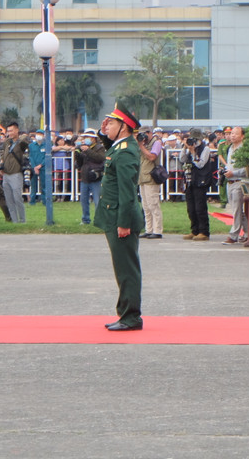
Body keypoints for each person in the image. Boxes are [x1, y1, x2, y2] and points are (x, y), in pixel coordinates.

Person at [95, 105, 144, 331]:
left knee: (127, 270)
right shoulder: (120, 147)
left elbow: (127, 191)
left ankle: (131, 317)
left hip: (120, 217)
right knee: (122, 269)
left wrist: (123, 223)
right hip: (114, 215)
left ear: (124, 127)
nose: (107, 126)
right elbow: (110, 155)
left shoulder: (125, 151)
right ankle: (125, 314)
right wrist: (104, 135)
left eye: (112, 123)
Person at [179, 128, 214, 241]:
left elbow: (201, 164)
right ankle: (194, 230)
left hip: (201, 181)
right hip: (190, 181)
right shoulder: (189, 148)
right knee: (191, 208)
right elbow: (182, 159)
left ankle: (204, 231)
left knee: (200, 208)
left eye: (195, 139)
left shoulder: (205, 149)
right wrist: (185, 148)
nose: (194, 142)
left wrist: (194, 152)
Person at [223, 126, 249, 244]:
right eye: (231, 133)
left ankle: (233, 235)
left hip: (239, 181)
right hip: (229, 181)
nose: (232, 136)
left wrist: (233, 173)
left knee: (237, 210)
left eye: (235, 134)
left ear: (242, 136)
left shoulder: (243, 149)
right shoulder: (230, 148)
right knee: (237, 209)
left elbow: (246, 169)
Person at [74, 128, 106, 225]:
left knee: (97, 200)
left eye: (88, 137)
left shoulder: (99, 148)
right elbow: (79, 163)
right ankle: (85, 219)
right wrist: (78, 154)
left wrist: (88, 151)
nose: (86, 139)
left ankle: (99, 219)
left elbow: (99, 158)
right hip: (85, 177)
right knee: (84, 201)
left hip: (96, 177)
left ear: (94, 139)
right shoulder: (83, 148)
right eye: (85, 137)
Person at [0, 122, 29, 222]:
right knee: (9, 200)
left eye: (11, 130)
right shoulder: (7, 142)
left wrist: (22, 138)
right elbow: (3, 154)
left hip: (16, 174)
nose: (9, 133)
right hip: (6, 174)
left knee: (17, 198)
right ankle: (14, 220)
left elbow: (28, 144)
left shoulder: (21, 142)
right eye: (8, 131)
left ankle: (22, 220)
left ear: (17, 130)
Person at [138, 127, 164, 239]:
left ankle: (157, 230)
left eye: (144, 134)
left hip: (151, 178)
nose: (143, 137)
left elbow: (152, 157)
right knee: (145, 206)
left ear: (149, 133)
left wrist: (141, 146)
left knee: (153, 205)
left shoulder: (156, 143)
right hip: (142, 178)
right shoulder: (143, 144)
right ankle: (149, 229)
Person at [27, 132, 45, 205]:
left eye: (40, 134)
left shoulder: (46, 145)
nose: (39, 136)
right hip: (33, 167)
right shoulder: (31, 145)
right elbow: (30, 156)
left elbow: (47, 157)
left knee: (44, 185)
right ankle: (32, 200)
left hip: (43, 167)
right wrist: (34, 167)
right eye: (38, 134)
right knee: (33, 185)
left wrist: (40, 165)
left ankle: (44, 200)